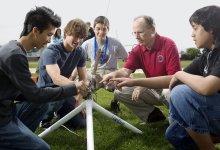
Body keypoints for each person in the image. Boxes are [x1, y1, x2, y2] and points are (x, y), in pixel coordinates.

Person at [0, 6, 87, 150]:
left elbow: (26, 93)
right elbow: (36, 95)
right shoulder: (15, 55)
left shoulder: (13, 48)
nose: (49, 40)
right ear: (35, 31)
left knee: (42, 102)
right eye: (48, 34)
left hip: (8, 111)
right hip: (2, 119)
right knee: (42, 148)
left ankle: (21, 138)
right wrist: (74, 87)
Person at [101, 15, 181, 123]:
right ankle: (154, 117)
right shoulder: (137, 50)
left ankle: (180, 121)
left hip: (168, 86)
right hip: (151, 88)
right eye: (134, 33)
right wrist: (113, 75)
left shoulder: (168, 44)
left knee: (169, 92)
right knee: (120, 92)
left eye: (140, 32)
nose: (136, 37)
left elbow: (173, 79)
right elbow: (126, 71)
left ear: (152, 30)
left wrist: (142, 85)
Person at [164, 5, 220, 150]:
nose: (192, 34)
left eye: (195, 28)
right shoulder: (207, 54)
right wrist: (134, 81)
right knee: (174, 133)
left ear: (212, 28)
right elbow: (172, 79)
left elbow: (207, 87)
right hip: (215, 111)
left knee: (180, 93)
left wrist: (179, 73)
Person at [20, 18, 89, 129]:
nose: (78, 40)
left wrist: (78, 99)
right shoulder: (52, 50)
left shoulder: (80, 52)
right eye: (75, 36)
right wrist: (77, 86)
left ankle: (60, 113)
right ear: (66, 33)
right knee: (51, 104)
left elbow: (84, 78)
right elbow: (56, 78)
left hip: (64, 91)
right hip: (46, 92)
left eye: (81, 37)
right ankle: (45, 117)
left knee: (81, 124)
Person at [81, 16, 128, 114]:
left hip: (112, 72)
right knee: (83, 83)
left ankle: (115, 102)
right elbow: (78, 60)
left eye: (104, 29)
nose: (101, 32)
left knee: (122, 85)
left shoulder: (115, 43)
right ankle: (90, 101)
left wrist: (125, 72)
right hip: (95, 72)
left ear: (108, 29)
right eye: (98, 29)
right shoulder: (87, 44)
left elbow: (127, 59)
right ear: (93, 29)